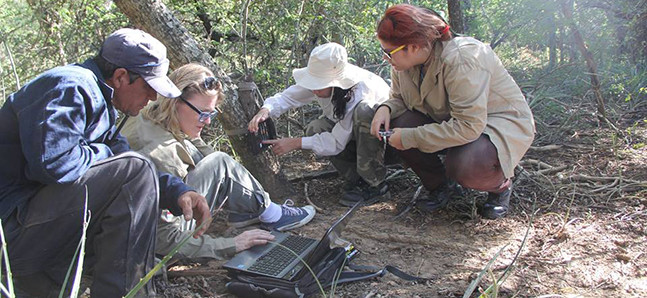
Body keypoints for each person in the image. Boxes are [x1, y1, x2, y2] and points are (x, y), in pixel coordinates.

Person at [0, 28, 215, 297]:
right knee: (135, 170)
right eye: (149, 87)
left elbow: (118, 156)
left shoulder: (101, 101)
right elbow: (53, 165)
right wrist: (105, 153)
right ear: (121, 77)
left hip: (37, 232)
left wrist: (179, 192)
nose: (152, 98)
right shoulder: (70, 86)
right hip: (12, 230)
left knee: (135, 169)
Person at [121, 63, 316, 262]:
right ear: (174, 101)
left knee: (215, 161)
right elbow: (162, 241)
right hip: (144, 245)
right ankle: (272, 214)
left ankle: (249, 207)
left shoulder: (151, 112)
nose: (207, 122)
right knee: (219, 162)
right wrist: (230, 245)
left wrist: (227, 180)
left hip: (144, 223)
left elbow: (197, 146)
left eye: (212, 114)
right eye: (203, 113)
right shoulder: (159, 152)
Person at [372, 4, 535, 219]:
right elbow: (399, 98)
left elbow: (469, 126)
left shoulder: (462, 58)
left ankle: (500, 187)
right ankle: (441, 186)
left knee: (465, 164)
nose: (386, 58)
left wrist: (411, 137)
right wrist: (386, 108)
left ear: (412, 46)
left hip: (496, 122)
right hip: (451, 120)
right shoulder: (403, 64)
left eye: (388, 52)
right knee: (400, 123)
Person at [248, 42, 391, 207]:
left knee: (364, 111)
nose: (313, 89)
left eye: (319, 84)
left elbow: (336, 142)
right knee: (315, 128)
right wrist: (266, 110)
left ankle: (375, 183)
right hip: (350, 135)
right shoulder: (322, 80)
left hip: (385, 143)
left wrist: (295, 143)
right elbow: (288, 97)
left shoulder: (360, 91)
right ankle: (357, 179)